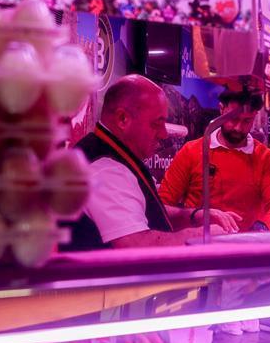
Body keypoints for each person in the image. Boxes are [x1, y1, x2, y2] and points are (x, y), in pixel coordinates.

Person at [70, 75, 240, 250]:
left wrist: (195, 217)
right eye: (156, 124)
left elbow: (141, 211)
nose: (164, 134)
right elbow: (136, 246)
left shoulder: (119, 155)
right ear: (123, 119)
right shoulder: (105, 169)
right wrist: (203, 235)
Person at [160, 90, 270, 232]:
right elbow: (162, 206)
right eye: (233, 119)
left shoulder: (265, 158)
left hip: (245, 247)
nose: (238, 128)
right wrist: (196, 216)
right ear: (221, 109)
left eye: (247, 121)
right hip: (197, 245)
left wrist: (262, 227)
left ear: (255, 116)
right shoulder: (191, 151)